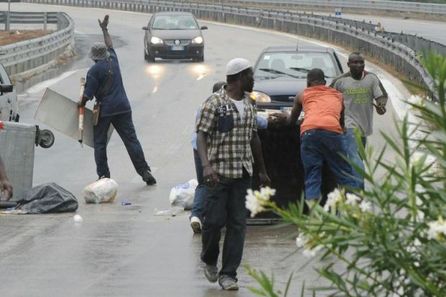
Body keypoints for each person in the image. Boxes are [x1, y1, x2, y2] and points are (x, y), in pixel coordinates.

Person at [196, 58, 270, 290]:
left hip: (242, 173)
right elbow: (201, 135)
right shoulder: (214, 103)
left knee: (238, 225)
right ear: (238, 77)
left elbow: (254, 137)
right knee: (214, 222)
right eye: (250, 75)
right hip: (218, 173)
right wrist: (206, 166)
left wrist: (262, 170)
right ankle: (209, 259)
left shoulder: (249, 103)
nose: (253, 79)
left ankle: (229, 274)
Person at [78, 15, 156, 185]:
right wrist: (104, 29)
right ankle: (145, 172)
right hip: (123, 107)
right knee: (131, 141)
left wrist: (80, 103)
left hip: (105, 111)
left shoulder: (93, 71)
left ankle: (104, 177)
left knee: (100, 143)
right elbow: (110, 44)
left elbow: (87, 96)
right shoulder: (113, 59)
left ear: (93, 57)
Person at [189, 81, 269, 234]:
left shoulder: (204, 106)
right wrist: (270, 119)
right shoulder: (222, 106)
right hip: (210, 151)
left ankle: (196, 216)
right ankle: (216, 219)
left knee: (203, 184)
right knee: (218, 186)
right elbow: (256, 124)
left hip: (197, 149)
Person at [283, 68, 356, 204]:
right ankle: (353, 206)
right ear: (324, 82)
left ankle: (314, 212)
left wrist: (283, 117)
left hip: (309, 133)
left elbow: (291, 121)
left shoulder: (302, 95)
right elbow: (341, 123)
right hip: (333, 133)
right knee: (344, 172)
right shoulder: (338, 95)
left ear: (308, 83)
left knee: (312, 173)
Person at [330, 52, 387, 189]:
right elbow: (329, 96)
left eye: (361, 62)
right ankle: (358, 188)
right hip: (348, 124)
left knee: (357, 157)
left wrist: (381, 107)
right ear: (348, 64)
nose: (358, 65)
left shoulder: (371, 79)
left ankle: (347, 183)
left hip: (365, 126)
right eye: (355, 62)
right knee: (353, 155)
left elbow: (381, 98)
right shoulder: (340, 81)